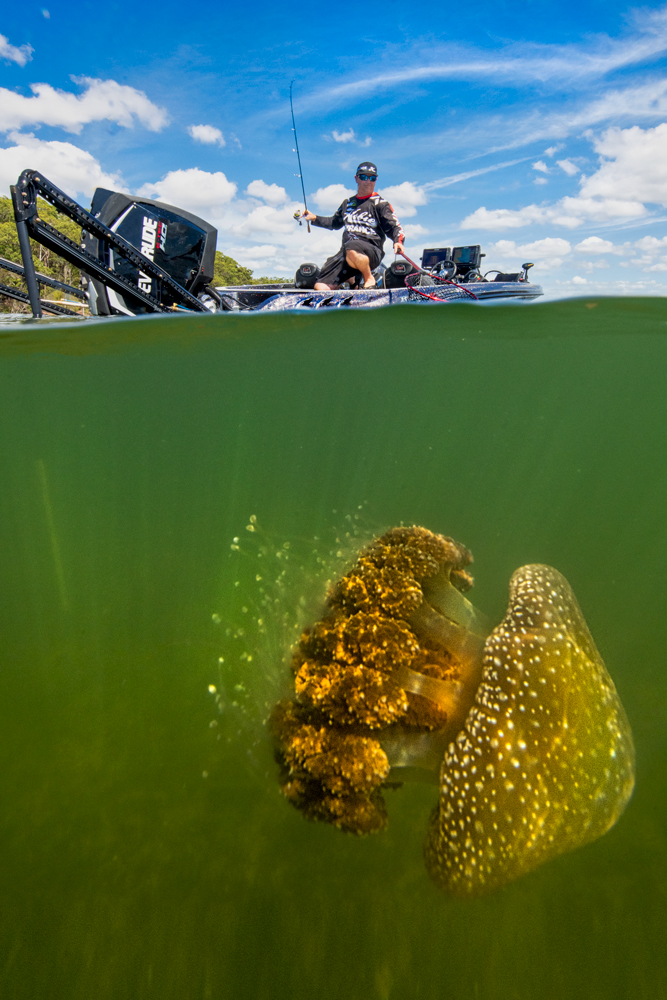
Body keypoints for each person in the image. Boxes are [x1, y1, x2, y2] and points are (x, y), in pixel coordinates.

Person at [299, 162, 405, 290]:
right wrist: (314, 218)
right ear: (356, 179)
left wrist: (398, 241)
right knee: (320, 287)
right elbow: (334, 223)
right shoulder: (347, 203)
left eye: (372, 178)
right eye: (363, 177)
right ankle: (351, 280)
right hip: (346, 252)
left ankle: (368, 278)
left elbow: (394, 226)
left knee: (353, 246)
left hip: (371, 251)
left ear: (376, 180)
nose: (368, 181)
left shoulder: (381, 204)